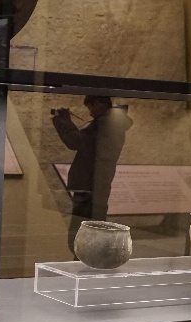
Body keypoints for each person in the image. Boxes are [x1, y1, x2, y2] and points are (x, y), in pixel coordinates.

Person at [52, 96, 133, 255]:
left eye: (90, 108)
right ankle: (90, 261)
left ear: (98, 104)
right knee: (93, 233)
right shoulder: (112, 125)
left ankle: (85, 262)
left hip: (89, 187)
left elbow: (75, 141)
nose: (90, 114)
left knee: (82, 238)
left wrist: (62, 121)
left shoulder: (104, 125)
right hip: (97, 186)